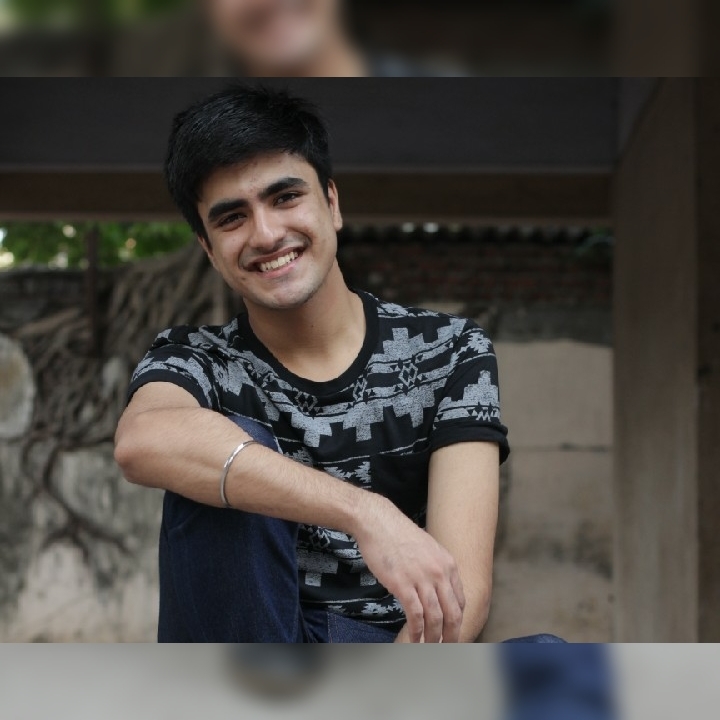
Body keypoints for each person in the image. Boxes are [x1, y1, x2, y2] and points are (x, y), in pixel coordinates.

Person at [114, 83, 508, 643]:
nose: (267, 234)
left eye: (284, 198)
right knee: (212, 442)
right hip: (245, 651)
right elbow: (142, 440)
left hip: (389, 656)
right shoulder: (195, 359)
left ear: (332, 203)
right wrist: (364, 512)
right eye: (232, 218)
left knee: (555, 663)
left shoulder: (449, 351)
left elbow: (460, 598)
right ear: (208, 249)